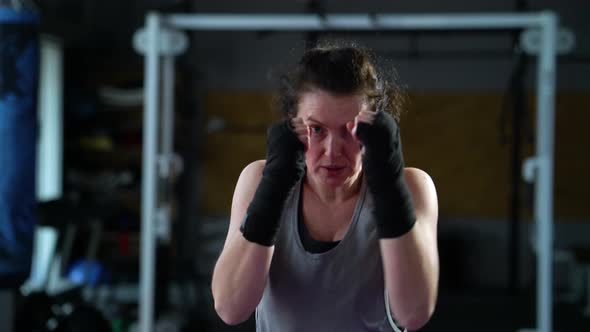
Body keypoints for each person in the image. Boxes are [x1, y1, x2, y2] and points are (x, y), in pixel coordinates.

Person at [211, 42, 439, 332]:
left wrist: (388, 186)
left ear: (376, 126)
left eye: (351, 131)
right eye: (316, 129)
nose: (333, 151)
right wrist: (274, 188)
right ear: (293, 125)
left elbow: (413, 314)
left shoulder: (411, 186)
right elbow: (230, 308)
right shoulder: (259, 180)